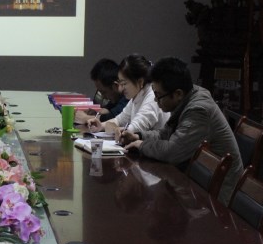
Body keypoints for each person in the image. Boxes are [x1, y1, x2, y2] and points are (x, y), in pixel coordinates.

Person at [120, 57, 243, 206]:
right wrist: (138, 136)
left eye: (158, 96)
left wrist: (141, 145)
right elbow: (164, 134)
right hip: (197, 179)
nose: (156, 101)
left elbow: (173, 152)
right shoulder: (186, 97)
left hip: (219, 193)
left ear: (177, 94)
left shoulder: (198, 110)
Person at [87, 54, 169, 141]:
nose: (121, 88)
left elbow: (135, 128)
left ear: (140, 82)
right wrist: (101, 126)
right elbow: (119, 120)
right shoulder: (137, 95)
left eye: (124, 83)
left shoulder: (152, 97)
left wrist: (119, 130)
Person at [75, 58, 130, 124]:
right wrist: (98, 112)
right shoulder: (117, 97)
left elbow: (114, 117)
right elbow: (108, 109)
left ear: (115, 85)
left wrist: (86, 118)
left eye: (104, 92)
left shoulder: (128, 97)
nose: (103, 97)